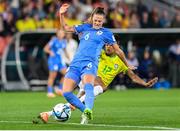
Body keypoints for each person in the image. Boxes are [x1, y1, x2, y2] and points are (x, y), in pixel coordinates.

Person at [37, 44, 158, 124]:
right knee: (101, 87)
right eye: (106, 45)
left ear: (117, 48)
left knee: (79, 99)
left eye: (110, 45)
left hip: (94, 86)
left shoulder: (120, 62)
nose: (107, 47)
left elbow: (133, 76)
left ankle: (48, 113)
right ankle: (80, 111)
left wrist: (145, 83)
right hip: (89, 78)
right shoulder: (100, 54)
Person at [58, 3, 134, 123]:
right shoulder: (84, 28)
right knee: (66, 93)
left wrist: (127, 64)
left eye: (100, 21)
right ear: (92, 18)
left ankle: (88, 109)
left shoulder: (107, 33)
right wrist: (61, 14)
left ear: (103, 21)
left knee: (88, 87)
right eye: (96, 20)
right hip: (76, 64)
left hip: (90, 64)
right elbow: (66, 28)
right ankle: (85, 110)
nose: (97, 23)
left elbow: (118, 51)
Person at [44, 29, 69, 98]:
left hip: (60, 60)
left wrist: (69, 57)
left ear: (64, 34)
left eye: (62, 33)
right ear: (57, 34)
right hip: (53, 60)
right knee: (52, 76)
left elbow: (64, 50)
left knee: (67, 74)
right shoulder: (54, 40)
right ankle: (49, 92)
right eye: (59, 33)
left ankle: (59, 89)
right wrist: (50, 52)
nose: (61, 34)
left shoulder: (64, 41)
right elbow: (45, 48)